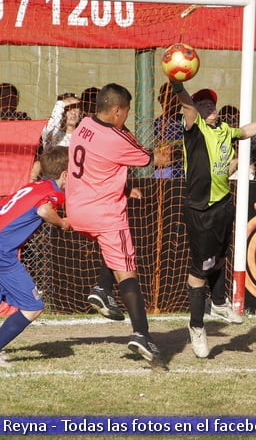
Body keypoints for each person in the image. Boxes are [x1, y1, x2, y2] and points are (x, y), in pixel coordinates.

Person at [170, 81, 256, 358]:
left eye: (211, 103)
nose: (210, 107)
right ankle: (197, 325)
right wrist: (178, 85)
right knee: (200, 269)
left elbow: (244, 131)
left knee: (221, 257)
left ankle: (220, 302)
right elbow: (188, 108)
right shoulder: (195, 128)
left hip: (223, 203)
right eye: (203, 104)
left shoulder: (224, 130)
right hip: (200, 207)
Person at [65, 83, 170, 369]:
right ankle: (142, 335)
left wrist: (124, 189)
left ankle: (101, 288)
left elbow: (102, 164)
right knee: (128, 272)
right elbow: (155, 160)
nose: (126, 117)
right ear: (116, 110)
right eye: (125, 112)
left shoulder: (85, 124)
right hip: (105, 214)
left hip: (76, 209)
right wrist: (179, 149)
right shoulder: (116, 140)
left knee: (110, 250)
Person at [0, 146, 71, 367]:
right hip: (0, 251)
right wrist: (62, 223)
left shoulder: (34, 186)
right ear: (65, 174)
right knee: (33, 307)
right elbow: (44, 211)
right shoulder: (54, 192)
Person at [153, 82, 185, 178]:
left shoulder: (187, 123)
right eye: (169, 96)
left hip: (185, 175)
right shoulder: (155, 125)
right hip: (164, 175)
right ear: (160, 99)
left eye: (177, 97)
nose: (174, 101)